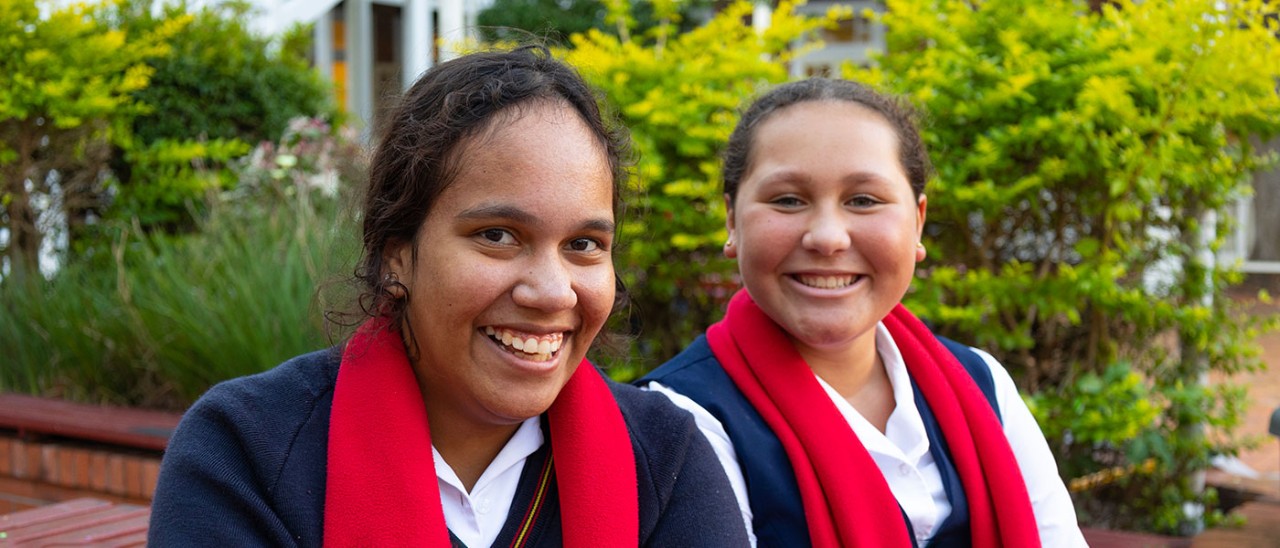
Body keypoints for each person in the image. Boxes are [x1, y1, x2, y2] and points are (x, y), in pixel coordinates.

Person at [148, 46, 748, 547]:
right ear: (395, 253)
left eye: (584, 244)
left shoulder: (668, 464)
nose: (550, 291)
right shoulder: (246, 454)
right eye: (497, 236)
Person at [642, 78, 1087, 547]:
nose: (828, 237)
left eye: (863, 200)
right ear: (732, 220)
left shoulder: (983, 384)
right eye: (788, 200)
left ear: (917, 222)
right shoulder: (682, 421)